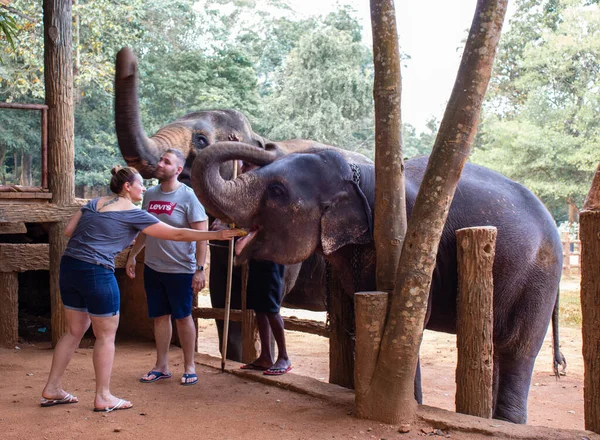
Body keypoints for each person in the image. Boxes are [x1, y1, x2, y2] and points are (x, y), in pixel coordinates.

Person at [40, 166, 241, 412]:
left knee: (74, 330)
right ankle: (103, 396)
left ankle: (53, 387)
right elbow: (176, 234)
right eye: (139, 184)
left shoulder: (93, 203)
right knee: (106, 336)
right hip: (97, 271)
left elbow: (70, 231)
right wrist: (217, 235)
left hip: (70, 267)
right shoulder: (133, 213)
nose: (143, 188)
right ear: (127, 187)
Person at [126, 149, 207, 386]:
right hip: (153, 267)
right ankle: (161, 366)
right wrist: (133, 256)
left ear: (178, 170)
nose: (160, 164)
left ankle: (189, 366)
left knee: (183, 317)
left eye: (166, 162)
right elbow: (146, 229)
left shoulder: (189, 197)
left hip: (181, 269)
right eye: (161, 159)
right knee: (160, 317)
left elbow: (202, 236)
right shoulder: (150, 194)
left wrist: (200, 269)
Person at [232, 161, 292, 376]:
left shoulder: (273, 196)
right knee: (259, 307)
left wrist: (248, 234)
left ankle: (283, 356)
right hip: (257, 257)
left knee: (271, 308)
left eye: (245, 167)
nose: (242, 171)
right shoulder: (253, 197)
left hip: (272, 256)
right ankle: (265, 356)